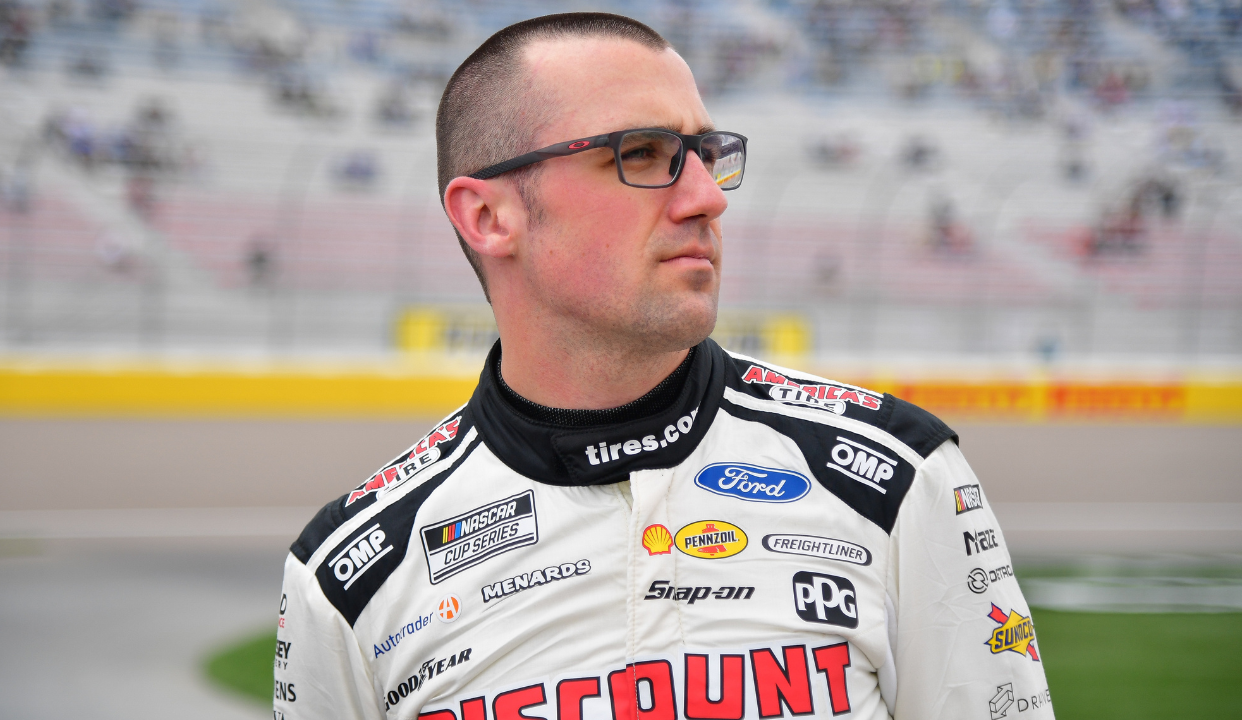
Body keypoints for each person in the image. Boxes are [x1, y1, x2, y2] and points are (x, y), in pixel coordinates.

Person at [275, 13, 1053, 720]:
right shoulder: (350, 578)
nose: (707, 198)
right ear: (489, 217)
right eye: (642, 153)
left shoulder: (895, 478)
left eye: (708, 155)